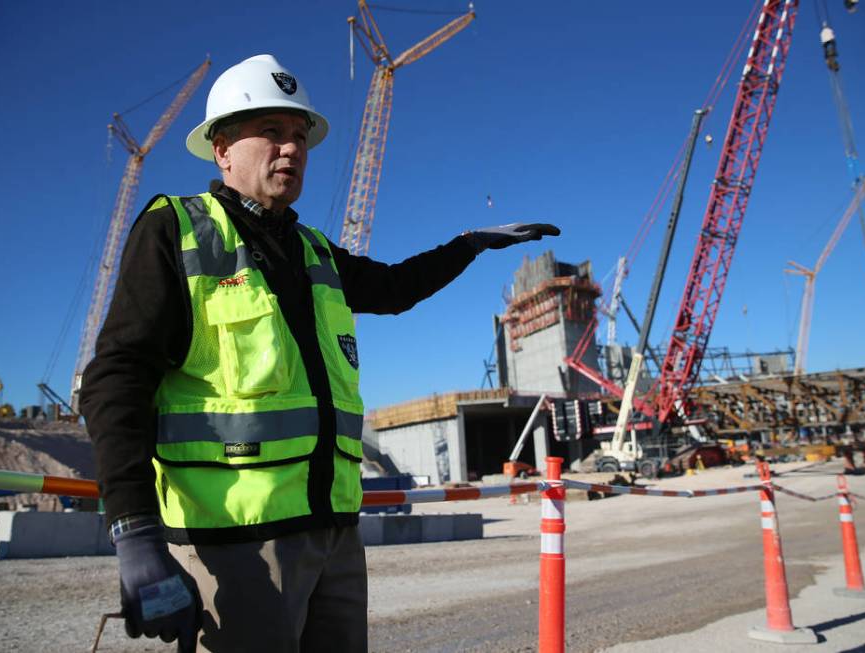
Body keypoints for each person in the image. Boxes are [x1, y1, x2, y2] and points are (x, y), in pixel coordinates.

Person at [80, 54, 559, 653]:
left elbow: (393, 288)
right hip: (238, 546)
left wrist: (467, 246)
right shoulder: (177, 230)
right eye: (272, 132)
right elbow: (115, 379)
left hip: (334, 537)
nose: (292, 149)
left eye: (300, 135)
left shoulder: (313, 251)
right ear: (222, 148)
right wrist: (135, 533)